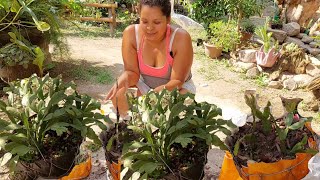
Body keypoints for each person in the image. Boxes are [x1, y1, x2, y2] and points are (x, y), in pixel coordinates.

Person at [105, 0, 195, 117]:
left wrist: (151, 97)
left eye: (157, 22)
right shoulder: (131, 34)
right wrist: (121, 82)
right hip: (145, 87)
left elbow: (177, 82)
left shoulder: (180, 38)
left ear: (168, 19)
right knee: (120, 97)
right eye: (144, 21)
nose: (149, 28)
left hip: (176, 89)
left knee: (173, 114)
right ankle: (132, 127)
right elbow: (131, 72)